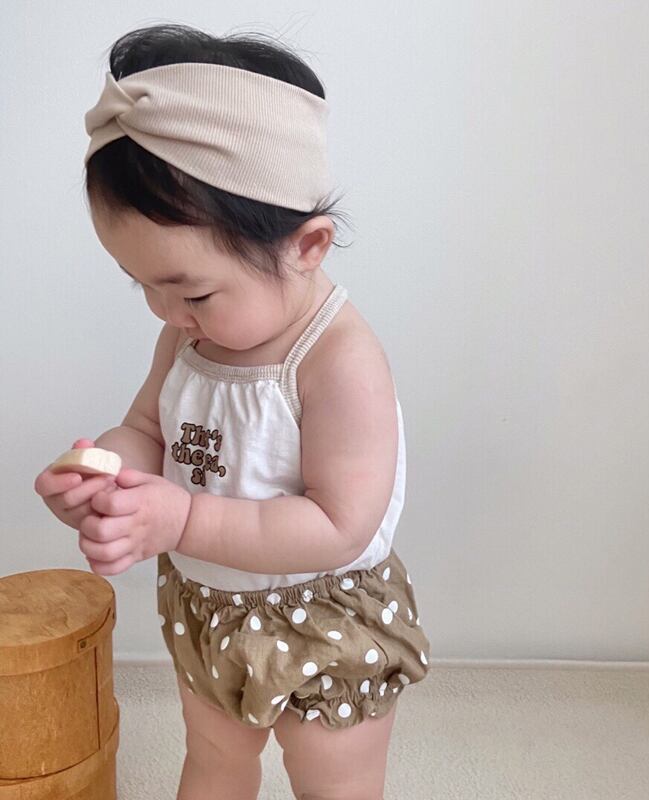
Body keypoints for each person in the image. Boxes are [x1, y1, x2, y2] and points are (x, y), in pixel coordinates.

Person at [33, 23, 431, 800]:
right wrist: (106, 475)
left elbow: (338, 525)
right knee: (214, 759)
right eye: (142, 284)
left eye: (192, 290)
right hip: (208, 607)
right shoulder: (187, 336)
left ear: (307, 247)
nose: (165, 312)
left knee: (333, 779)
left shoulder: (338, 361)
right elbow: (149, 431)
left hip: (324, 617)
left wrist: (182, 520)